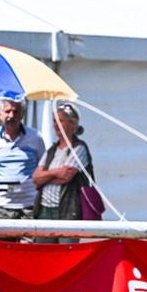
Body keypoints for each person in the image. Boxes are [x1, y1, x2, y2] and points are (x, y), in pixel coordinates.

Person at [0, 98, 46, 242]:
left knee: (27, 255)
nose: (11, 116)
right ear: (0, 114)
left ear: (22, 114)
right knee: (0, 255)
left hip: (28, 206)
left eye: (15, 111)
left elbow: (41, 170)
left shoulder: (36, 137)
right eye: (7, 111)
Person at [32, 103, 95, 244]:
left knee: (66, 255)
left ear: (73, 123)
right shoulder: (52, 150)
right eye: (54, 121)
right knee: (44, 254)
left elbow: (66, 178)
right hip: (44, 210)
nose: (56, 125)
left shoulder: (79, 148)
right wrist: (56, 172)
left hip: (68, 211)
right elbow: (35, 178)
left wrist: (45, 177)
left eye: (60, 120)